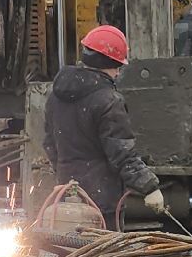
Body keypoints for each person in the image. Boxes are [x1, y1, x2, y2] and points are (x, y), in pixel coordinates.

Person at [42, 24, 167, 225]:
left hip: (67, 196)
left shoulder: (55, 96)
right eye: (117, 67)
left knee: (69, 243)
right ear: (109, 63)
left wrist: (68, 176)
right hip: (102, 201)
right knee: (105, 245)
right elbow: (122, 154)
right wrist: (149, 188)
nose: (117, 73)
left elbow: (50, 144)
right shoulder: (108, 100)